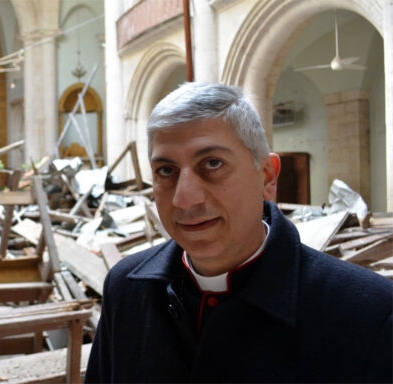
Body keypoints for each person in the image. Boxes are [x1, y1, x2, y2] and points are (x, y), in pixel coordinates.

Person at [85, 82, 392, 383]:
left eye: (212, 164)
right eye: (166, 170)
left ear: (267, 177)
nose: (184, 198)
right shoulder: (126, 289)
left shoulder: (368, 313)